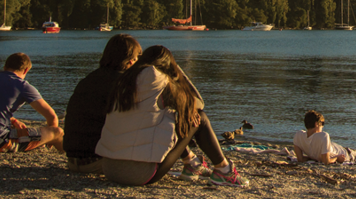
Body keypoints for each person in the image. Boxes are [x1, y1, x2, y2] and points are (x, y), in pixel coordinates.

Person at [95, 45, 246, 186]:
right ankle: (224, 170)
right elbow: (198, 103)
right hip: (139, 174)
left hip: (110, 168)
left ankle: (192, 164)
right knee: (200, 118)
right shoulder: (158, 79)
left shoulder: (124, 80)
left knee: (169, 117)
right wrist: (178, 73)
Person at [63, 34, 142, 173]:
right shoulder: (122, 85)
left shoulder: (89, 79)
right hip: (98, 162)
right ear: (131, 60)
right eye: (137, 58)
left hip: (73, 161)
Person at [0, 53, 64, 153]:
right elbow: (52, 117)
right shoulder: (22, 85)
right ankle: (67, 156)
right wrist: (50, 139)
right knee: (57, 132)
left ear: (5, 67)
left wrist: (13, 120)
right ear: (26, 70)